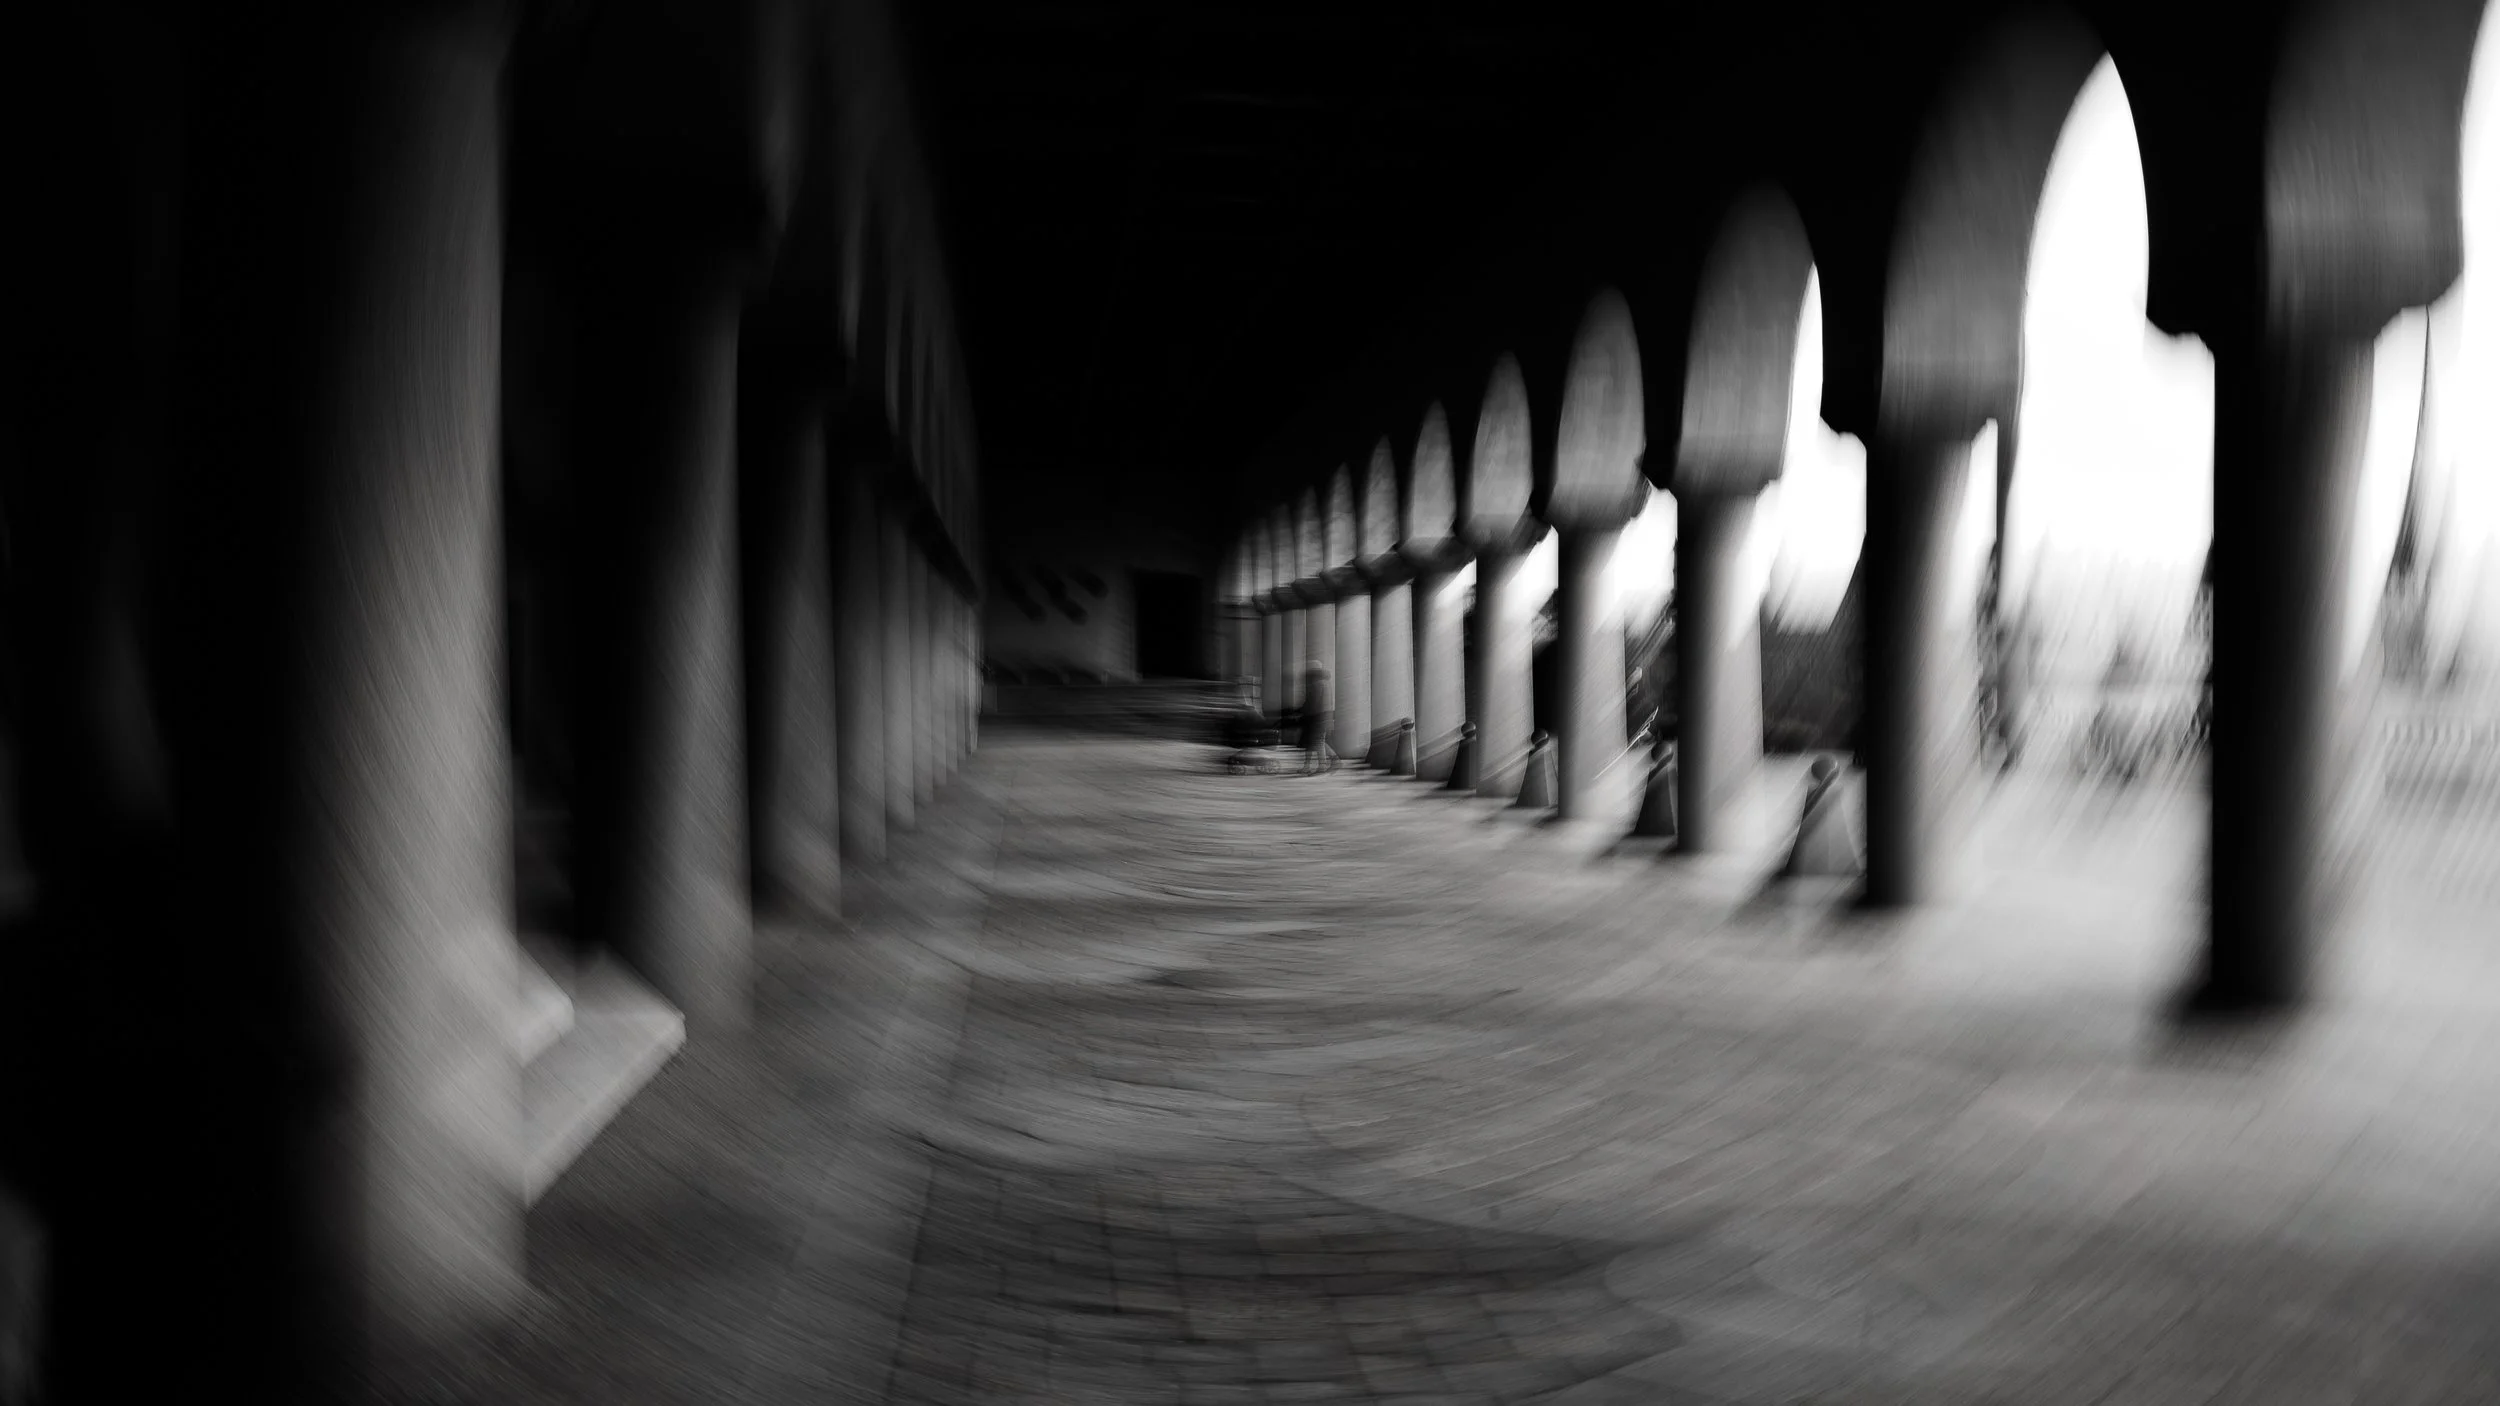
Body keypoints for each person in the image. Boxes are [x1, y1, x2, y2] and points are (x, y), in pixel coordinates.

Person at [1301, 660, 1335, 774]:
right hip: (1325, 715)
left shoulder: (1317, 684)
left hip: (1316, 717)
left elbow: (1313, 702)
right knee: (1317, 741)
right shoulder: (1326, 683)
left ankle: (1322, 765)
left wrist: (1303, 711)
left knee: (1316, 742)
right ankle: (1332, 761)